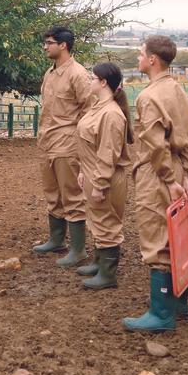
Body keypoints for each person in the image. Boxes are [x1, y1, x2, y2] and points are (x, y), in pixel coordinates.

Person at [123, 35, 188, 332]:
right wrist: (186, 175)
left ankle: (161, 314)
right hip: (178, 168)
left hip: (158, 174)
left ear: (152, 59)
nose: (138, 57)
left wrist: (167, 179)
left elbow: (155, 145)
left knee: (157, 239)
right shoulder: (179, 91)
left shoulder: (148, 97)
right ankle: (179, 304)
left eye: (141, 53)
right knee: (178, 236)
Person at [32, 26, 93, 269]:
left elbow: (90, 110)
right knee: (52, 193)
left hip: (67, 144)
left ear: (63, 45)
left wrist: (80, 141)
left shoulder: (78, 74)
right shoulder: (50, 73)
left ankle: (78, 249)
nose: (45, 47)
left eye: (49, 43)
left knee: (72, 196)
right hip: (47, 142)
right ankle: (56, 239)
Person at [73, 63, 133, 289]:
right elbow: (91, 146)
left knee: (107, 222)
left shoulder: (111, 114)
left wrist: (99, 183)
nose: (88, 81)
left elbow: (108, 153)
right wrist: (82, 171)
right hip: (92, 173)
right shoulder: (99, 107)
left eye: (92, 78)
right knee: (97, 219)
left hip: (104, 178)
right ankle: (99, 263)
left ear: (103, 83)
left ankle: (108, 275)